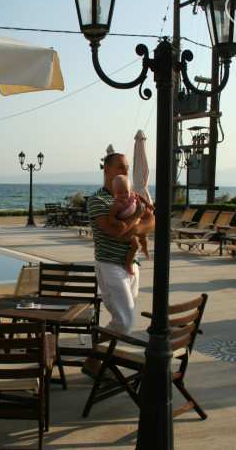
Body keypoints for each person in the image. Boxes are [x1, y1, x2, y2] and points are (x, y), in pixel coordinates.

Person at [81, 153, 155, 380]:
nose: (125, 171)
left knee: (123, 321)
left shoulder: (130, 195)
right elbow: (117, 233)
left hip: (131, 264)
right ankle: (94, 360)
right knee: (124, 321)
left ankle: (100, 361)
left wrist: (136, 226)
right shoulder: (98, 200)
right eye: (121, 167)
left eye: (127, 167)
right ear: (107, 168)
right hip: (110, 265)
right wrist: (138, 218)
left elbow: (152, 221)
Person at [107, 174, 155, 275]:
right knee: (135, 246)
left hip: (135, 222)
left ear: (130, 189)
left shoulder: (133, 197)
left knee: (144, 236)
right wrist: (118, 222)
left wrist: (148, 204)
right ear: (115, 193)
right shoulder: (117, 204)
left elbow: (141, 198)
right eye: (120, 193)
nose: (124, 195)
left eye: (126, 191)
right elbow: (111, 217)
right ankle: (127, 265)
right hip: (127, 226)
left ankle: (145, 249)